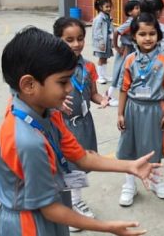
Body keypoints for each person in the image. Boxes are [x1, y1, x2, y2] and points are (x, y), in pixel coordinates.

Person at [0, 26, 159, 235]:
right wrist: (107, 227)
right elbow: (51, 210)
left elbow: (81, 157)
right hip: (29, 226)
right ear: (28, 85)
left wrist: (129, 166)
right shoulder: (28, 142)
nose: (69, 88)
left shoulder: (44, 111)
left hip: (48, 217)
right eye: (62, 82)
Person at [52, 17, 111, 232]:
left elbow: (93, 93)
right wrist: (55, 106)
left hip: (84, 123)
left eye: (80, 39)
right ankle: (67, 206)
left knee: (80, 165)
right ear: (57, 40)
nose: (76, 44)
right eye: (69, 40)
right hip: (62, 125)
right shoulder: (51, 68)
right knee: (64, 167)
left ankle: (75, 200)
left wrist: (102, 99)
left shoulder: (88, 66)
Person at [116, 12, 164, 207]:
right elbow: (124, 88)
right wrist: (120, 113)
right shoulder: (129, 60)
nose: (148, 38)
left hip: (155, 110)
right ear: (134, 36)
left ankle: (156, 179)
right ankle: (129, 185)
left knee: (154, 148)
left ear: (158, 36)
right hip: (133, 109)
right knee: (129, 147)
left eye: (152, 33)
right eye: (142, 34)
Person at [109, 0, 142, 107]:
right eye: (136, 8)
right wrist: (117, 47)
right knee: (119, 72)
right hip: (126, 50)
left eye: (139, 8)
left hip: (132, 49)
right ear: (129, 12)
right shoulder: (130, 22)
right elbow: (116, 32)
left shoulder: (136, 21)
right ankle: (110, 96)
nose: (139, 10)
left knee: (128, 73)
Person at [92, 0, 114, 85]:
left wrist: (112, 40)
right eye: (107, 7)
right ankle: (100, 77)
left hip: (107, 41)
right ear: (101, 7)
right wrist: (101, 42)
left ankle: (104, 75)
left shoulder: (108, 17)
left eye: (110, 6)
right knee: (101, 58)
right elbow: (97, 31)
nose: (109, 8)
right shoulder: (99, 18)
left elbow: (110, 29)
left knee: (105, 58)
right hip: (101, 42)